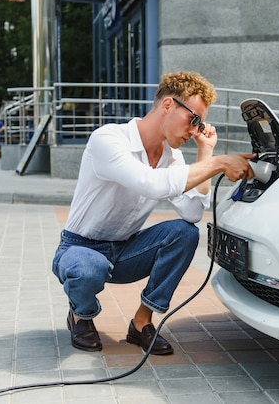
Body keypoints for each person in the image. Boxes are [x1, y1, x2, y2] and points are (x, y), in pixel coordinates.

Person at [52, 71, 254, 354]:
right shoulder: (109, 139)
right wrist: (219, 164)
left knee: (184, 233)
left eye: (201, 123)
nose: (195, 130)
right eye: (193, 119)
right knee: (87, 269)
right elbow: (150, 184)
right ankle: (81, 315)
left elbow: (192, 212)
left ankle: (141, 322)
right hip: (80, 248)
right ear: (168, 105)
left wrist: (206, 154)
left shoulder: (172, 157)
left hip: (125, 251)